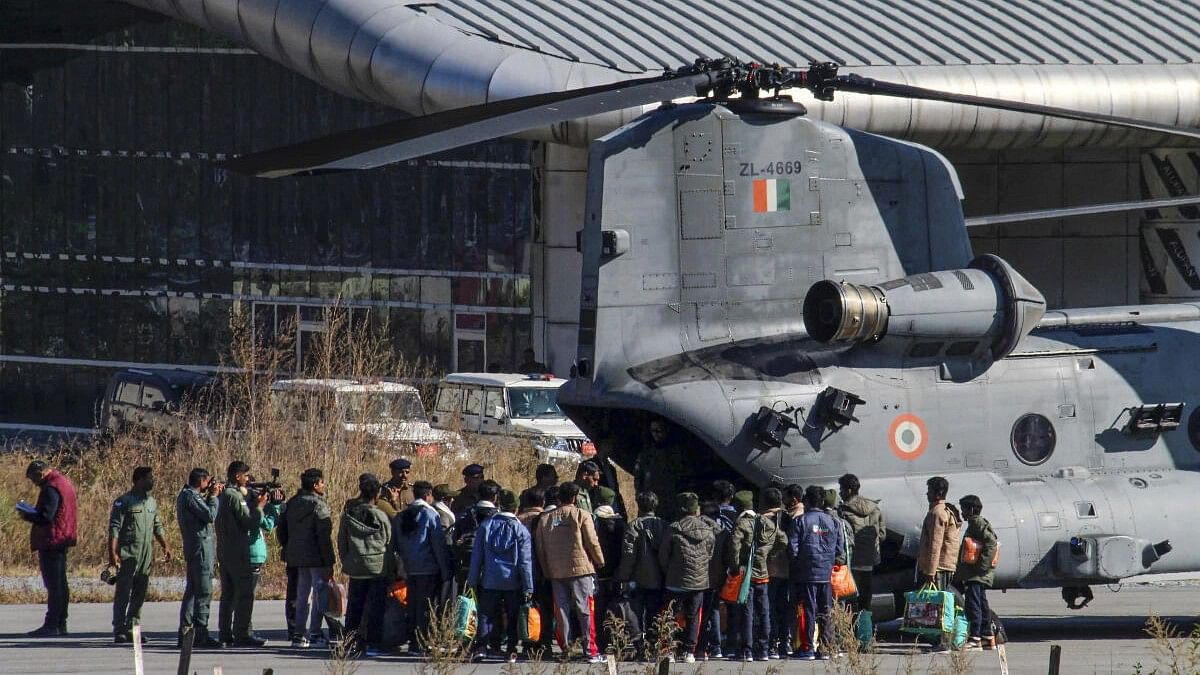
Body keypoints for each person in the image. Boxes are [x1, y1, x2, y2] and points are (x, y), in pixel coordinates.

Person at [535, 481, 606, 664]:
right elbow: (592, 541)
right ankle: (590, 650)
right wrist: (599, 561)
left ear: (559, 497)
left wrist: (546, 570)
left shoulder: (545, 518)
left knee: (561, 611)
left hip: (555, 572)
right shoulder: (582, 515)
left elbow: (540, 549)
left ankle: (565, 648)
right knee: (585, 609)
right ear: (575, 497)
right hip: (581, 570)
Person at [468, 488, 533, 662]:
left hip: (489, 579)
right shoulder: (521, 530)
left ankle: (481, 647)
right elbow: (525, 562)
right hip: (513, 581)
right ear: (516, 509)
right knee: (512, 615)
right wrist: (528, 585)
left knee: (486, 613)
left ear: (499, 504)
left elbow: (477, 557)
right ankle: (511, 649)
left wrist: (472, 579)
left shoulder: (486, 526)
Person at [108, 466, 170, 644]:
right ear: (138, 480)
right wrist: (112, 553)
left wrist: (165, 545)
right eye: (149, 478)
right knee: (123, 592)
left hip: (145, 555)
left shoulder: (151, 502)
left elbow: (157, 525)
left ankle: (132, 628)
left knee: (139, 593)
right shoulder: (124, 501)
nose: (152, 481)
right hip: (128, 553)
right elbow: (114, 528)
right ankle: (119, 629)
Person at [339, 474, 395, 656]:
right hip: (377, 567)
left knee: (354, 606)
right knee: (375, 607)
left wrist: (346, 559)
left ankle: (349, 641)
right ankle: (372, 643)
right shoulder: (381, 515)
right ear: (377, 494)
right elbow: (389, 542)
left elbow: (342, 541)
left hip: (356, 566)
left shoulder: (349, 514)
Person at [214, 461, 269, 647]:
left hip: (226, 550)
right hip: (237, 551)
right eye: (245, 475)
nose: (247, 479)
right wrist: (260, 506)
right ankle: (242, 633)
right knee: (244, 594)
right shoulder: (234, 496)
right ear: (237, 476)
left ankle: (225, 633)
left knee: (228, 594)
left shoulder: (224, 495)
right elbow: (248, 522)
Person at [727, 489, 786, 662]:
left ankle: (747, 650)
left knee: (747, 612)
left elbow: (734, 546)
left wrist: (735, 566)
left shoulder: (742, 524)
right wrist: (769, 554)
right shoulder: (768, 523)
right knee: (764, 611)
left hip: (746, 575)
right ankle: (764, 649)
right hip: (763, 574)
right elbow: (783, 540)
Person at [395, 481, 452, 655]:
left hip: (409, 567)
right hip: (428, 567)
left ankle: (413, 640)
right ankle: (422, 641)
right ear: (428, 495)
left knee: (413, 604)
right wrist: (445, 570)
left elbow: (396, 544)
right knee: (427, 607)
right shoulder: (430, 515)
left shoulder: (401, 516)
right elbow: (438, 546)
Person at [20, 460, 77, 637]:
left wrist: (27, 514)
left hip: (52, 539)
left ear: (41, 473)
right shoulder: (63, 482)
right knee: (60, 584)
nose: (34, 483)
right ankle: (60, 623)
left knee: (54, 585)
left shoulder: (51, 487)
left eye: (33, 479)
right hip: (62, 537)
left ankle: (52, 624)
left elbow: (46, 516)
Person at [280, 468, 335, 649]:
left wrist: (288, 548)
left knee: (302, 596)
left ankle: (298, 634)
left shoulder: (292, 503)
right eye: (321, 482)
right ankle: (315, 632)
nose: (323, 485)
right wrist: (329, 560)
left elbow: (281, 530)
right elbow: (324, 536)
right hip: (316, 557)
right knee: (319, 595)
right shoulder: (318, 505)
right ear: (315, 484)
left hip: (296, 557)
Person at [659, 492, 716, 664]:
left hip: (675, 580)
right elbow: (710, 554)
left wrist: (669, 571)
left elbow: (663, 555)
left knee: (670, 615)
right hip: (698, 581)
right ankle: (689, 651)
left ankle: (669, 650)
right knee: (693, 616)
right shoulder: (708, 529)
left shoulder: (673, 528)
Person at [789, 485, 843, 661]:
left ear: (807, 500)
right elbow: (839, 549)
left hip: (806, 573)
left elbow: (793, 548)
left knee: (808, 611)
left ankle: (807, 648)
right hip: (825, 574)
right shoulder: (833, 521)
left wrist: (798, 564)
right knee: (825, 611)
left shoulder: (800, 521)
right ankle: (827, 647)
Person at [176, 467, 222, 648]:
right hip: (200, 550)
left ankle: (187, 633)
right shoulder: (191, 496)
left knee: (193, 592)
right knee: (203, 592)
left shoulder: (187, 496)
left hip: (197, 548)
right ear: (201, 480)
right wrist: (213, 497)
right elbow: (209, 515)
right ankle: (200, 633)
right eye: (207, 481)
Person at [615, 491, 665, 653]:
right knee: (654, 612)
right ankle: (653, 643)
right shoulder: (664, 525)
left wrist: (622, 577)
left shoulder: (634, 526)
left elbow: (628, 555)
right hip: (659, 577)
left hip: (638, 578)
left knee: (635, 612)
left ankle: (638, 643)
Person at [837, 474, 886, 614]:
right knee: (866, 599)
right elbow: (882, 535)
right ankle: (865, 631)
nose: (840, 492)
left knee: (850, 600)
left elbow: (842, 536)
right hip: (870, 561)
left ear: (849, 490)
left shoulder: (844, 510)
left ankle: (850, 631)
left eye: (841, 489)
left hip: (852, 561)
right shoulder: (875, 508)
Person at [954, 495, 998, 651]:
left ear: (971, 509)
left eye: (964, 509)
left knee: (973, 606)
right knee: (982, 604)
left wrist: (982, 567)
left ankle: (975, 639)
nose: (962, 513)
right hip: (976, 574)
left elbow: (991, 543)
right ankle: (987, 637)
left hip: (976, 575)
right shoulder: (975, 523)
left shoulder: (977, 523)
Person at [592, 486, 626, 651]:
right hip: (616, 573)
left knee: (598, 610)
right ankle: (618, 639)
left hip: (598, 573)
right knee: (617, 607)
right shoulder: (620, 524)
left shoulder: (593, 521)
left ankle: (601, 641)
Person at [918, 476, 961, 593]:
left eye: (930, 490)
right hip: (945, 565)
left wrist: (930, 571)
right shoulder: (946, 510)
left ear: (938, 493)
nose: (927, 494)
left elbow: (935, 544)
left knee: (937, 604)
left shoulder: (937, 513)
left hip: (939, 568)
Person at [765, 487, 793, 659]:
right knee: (784, 607)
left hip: (768, 570)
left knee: (770, 608)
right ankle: (785, 642)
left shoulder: (763, 520)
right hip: (787, 570)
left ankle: (772, 642)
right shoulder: (789, 518)